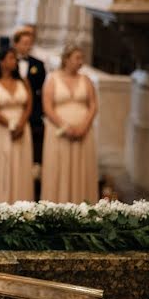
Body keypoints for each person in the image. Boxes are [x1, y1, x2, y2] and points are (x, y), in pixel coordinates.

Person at [40, 45, 99, 203]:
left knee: (81, 169)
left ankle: (83, 204)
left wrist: (84, 126)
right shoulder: (52, 78)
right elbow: (47, 106)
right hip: (59, 131)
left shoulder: (86, 80)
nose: (80, 62)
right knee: (60, 169)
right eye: (77, 58)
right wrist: (65, 127)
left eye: (82, 58)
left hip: (83, 132)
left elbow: (93, 105)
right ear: (66, 59)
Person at [0, 48, 34, 202]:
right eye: (11, 58)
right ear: (1, 62)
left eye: (15, 58)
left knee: (20, 166)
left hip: (22, 127)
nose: (15, 61)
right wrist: (11, 125)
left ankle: (22, 202)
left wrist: (21, 124)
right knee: (2, 166)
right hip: (1, 129)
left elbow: (28, 105)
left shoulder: (23, 82)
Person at [13, 28, 46, 128]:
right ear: (16, 44)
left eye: (30, 43)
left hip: (33, 110)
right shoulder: (8, 62)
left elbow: (41, 87)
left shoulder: (38, 64)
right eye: (25, 43)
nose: (28, 46)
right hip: (14, 104)